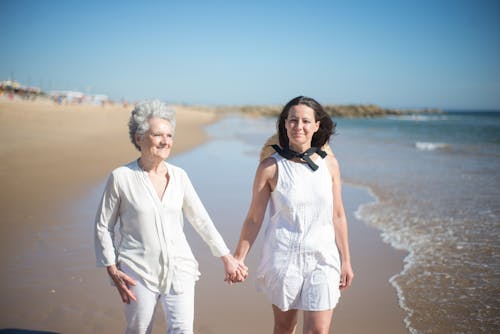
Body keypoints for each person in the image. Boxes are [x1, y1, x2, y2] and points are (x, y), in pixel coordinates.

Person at [94, 100, 246, 334]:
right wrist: (112, 268)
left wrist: (227, 258)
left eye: (169, 135)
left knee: (183, 330)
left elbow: (201, 219)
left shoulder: (180, 176)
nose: (166, 141)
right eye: (158, 135)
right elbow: (103, 226)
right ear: (138, 137)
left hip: (180, 268)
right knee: (139, 329)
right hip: (138, 270)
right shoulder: (121, 177)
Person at [232, 96, 354, 333]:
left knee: (318, 331)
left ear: (317, 125)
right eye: (293, 120)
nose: (299, 126)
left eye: (306, 121)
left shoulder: (330, 165)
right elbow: (254, 218)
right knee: (285, 327)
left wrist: (346, 260)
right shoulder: (269, 167)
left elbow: (338, 215)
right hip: (284, 257)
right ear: (285, 124)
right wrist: (239, 257)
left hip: (323, 259)